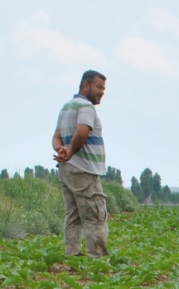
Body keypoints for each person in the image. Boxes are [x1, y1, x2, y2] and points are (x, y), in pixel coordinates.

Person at [52, 71, 110, 258]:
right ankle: (97, 261)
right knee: (95, 216)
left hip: (67, 169)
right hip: (84, 169)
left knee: (73, 216)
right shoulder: (86, 107)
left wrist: (61, 150)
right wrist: (70, 151)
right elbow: (83, 132)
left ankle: (73, 258)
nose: (101, 92)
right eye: (98, 87)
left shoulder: (67, 107)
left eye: (103, 88)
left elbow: (56, 137)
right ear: (86, 85)